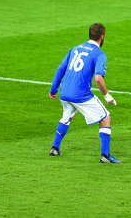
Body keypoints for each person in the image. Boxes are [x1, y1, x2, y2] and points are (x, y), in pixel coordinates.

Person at [48, 22, 120, 163]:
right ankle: (105, 156)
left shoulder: (75, 49)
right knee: (106, 118)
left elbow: (60, 69)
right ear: (102, 37)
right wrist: (107, 96)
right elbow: (98, 78)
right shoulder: (99, 54)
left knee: (67, 115)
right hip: (80, 95)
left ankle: (55, 148)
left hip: (65, 93)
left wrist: (54, 89)